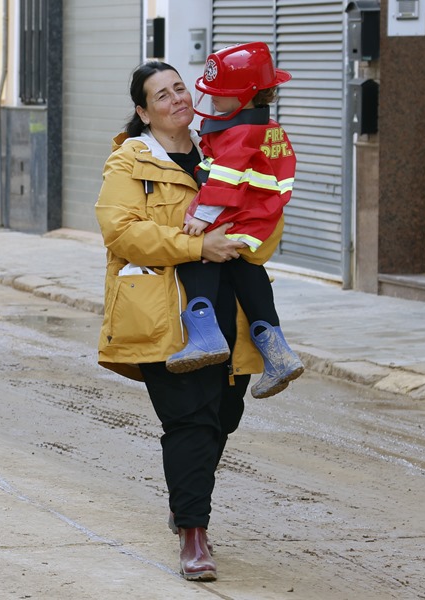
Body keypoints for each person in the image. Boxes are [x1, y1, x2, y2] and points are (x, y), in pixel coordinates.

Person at [94, 61, 285, 582]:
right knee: (190, 420)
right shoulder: (128, 164)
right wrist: (199, 244)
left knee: (223, 417)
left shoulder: (224, 148)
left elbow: (262, 222)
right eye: (162, 95)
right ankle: (194, 536)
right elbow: (122, 233)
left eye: (181, 87)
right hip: (164, 314)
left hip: (232, 313)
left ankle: (185, 507)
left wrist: (253, 237)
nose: (177, 99)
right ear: (143, 111)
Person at [165, 42, 304, 400]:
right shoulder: (268, 128)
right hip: (260, 215)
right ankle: (277, 352)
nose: (211, 98)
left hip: (237, 212)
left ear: (246, 96)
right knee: (245, 269)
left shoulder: (240, 133)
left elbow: (225, 179)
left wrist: (201, 217)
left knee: (198, 252)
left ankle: (204, 336)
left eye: (220, 93)